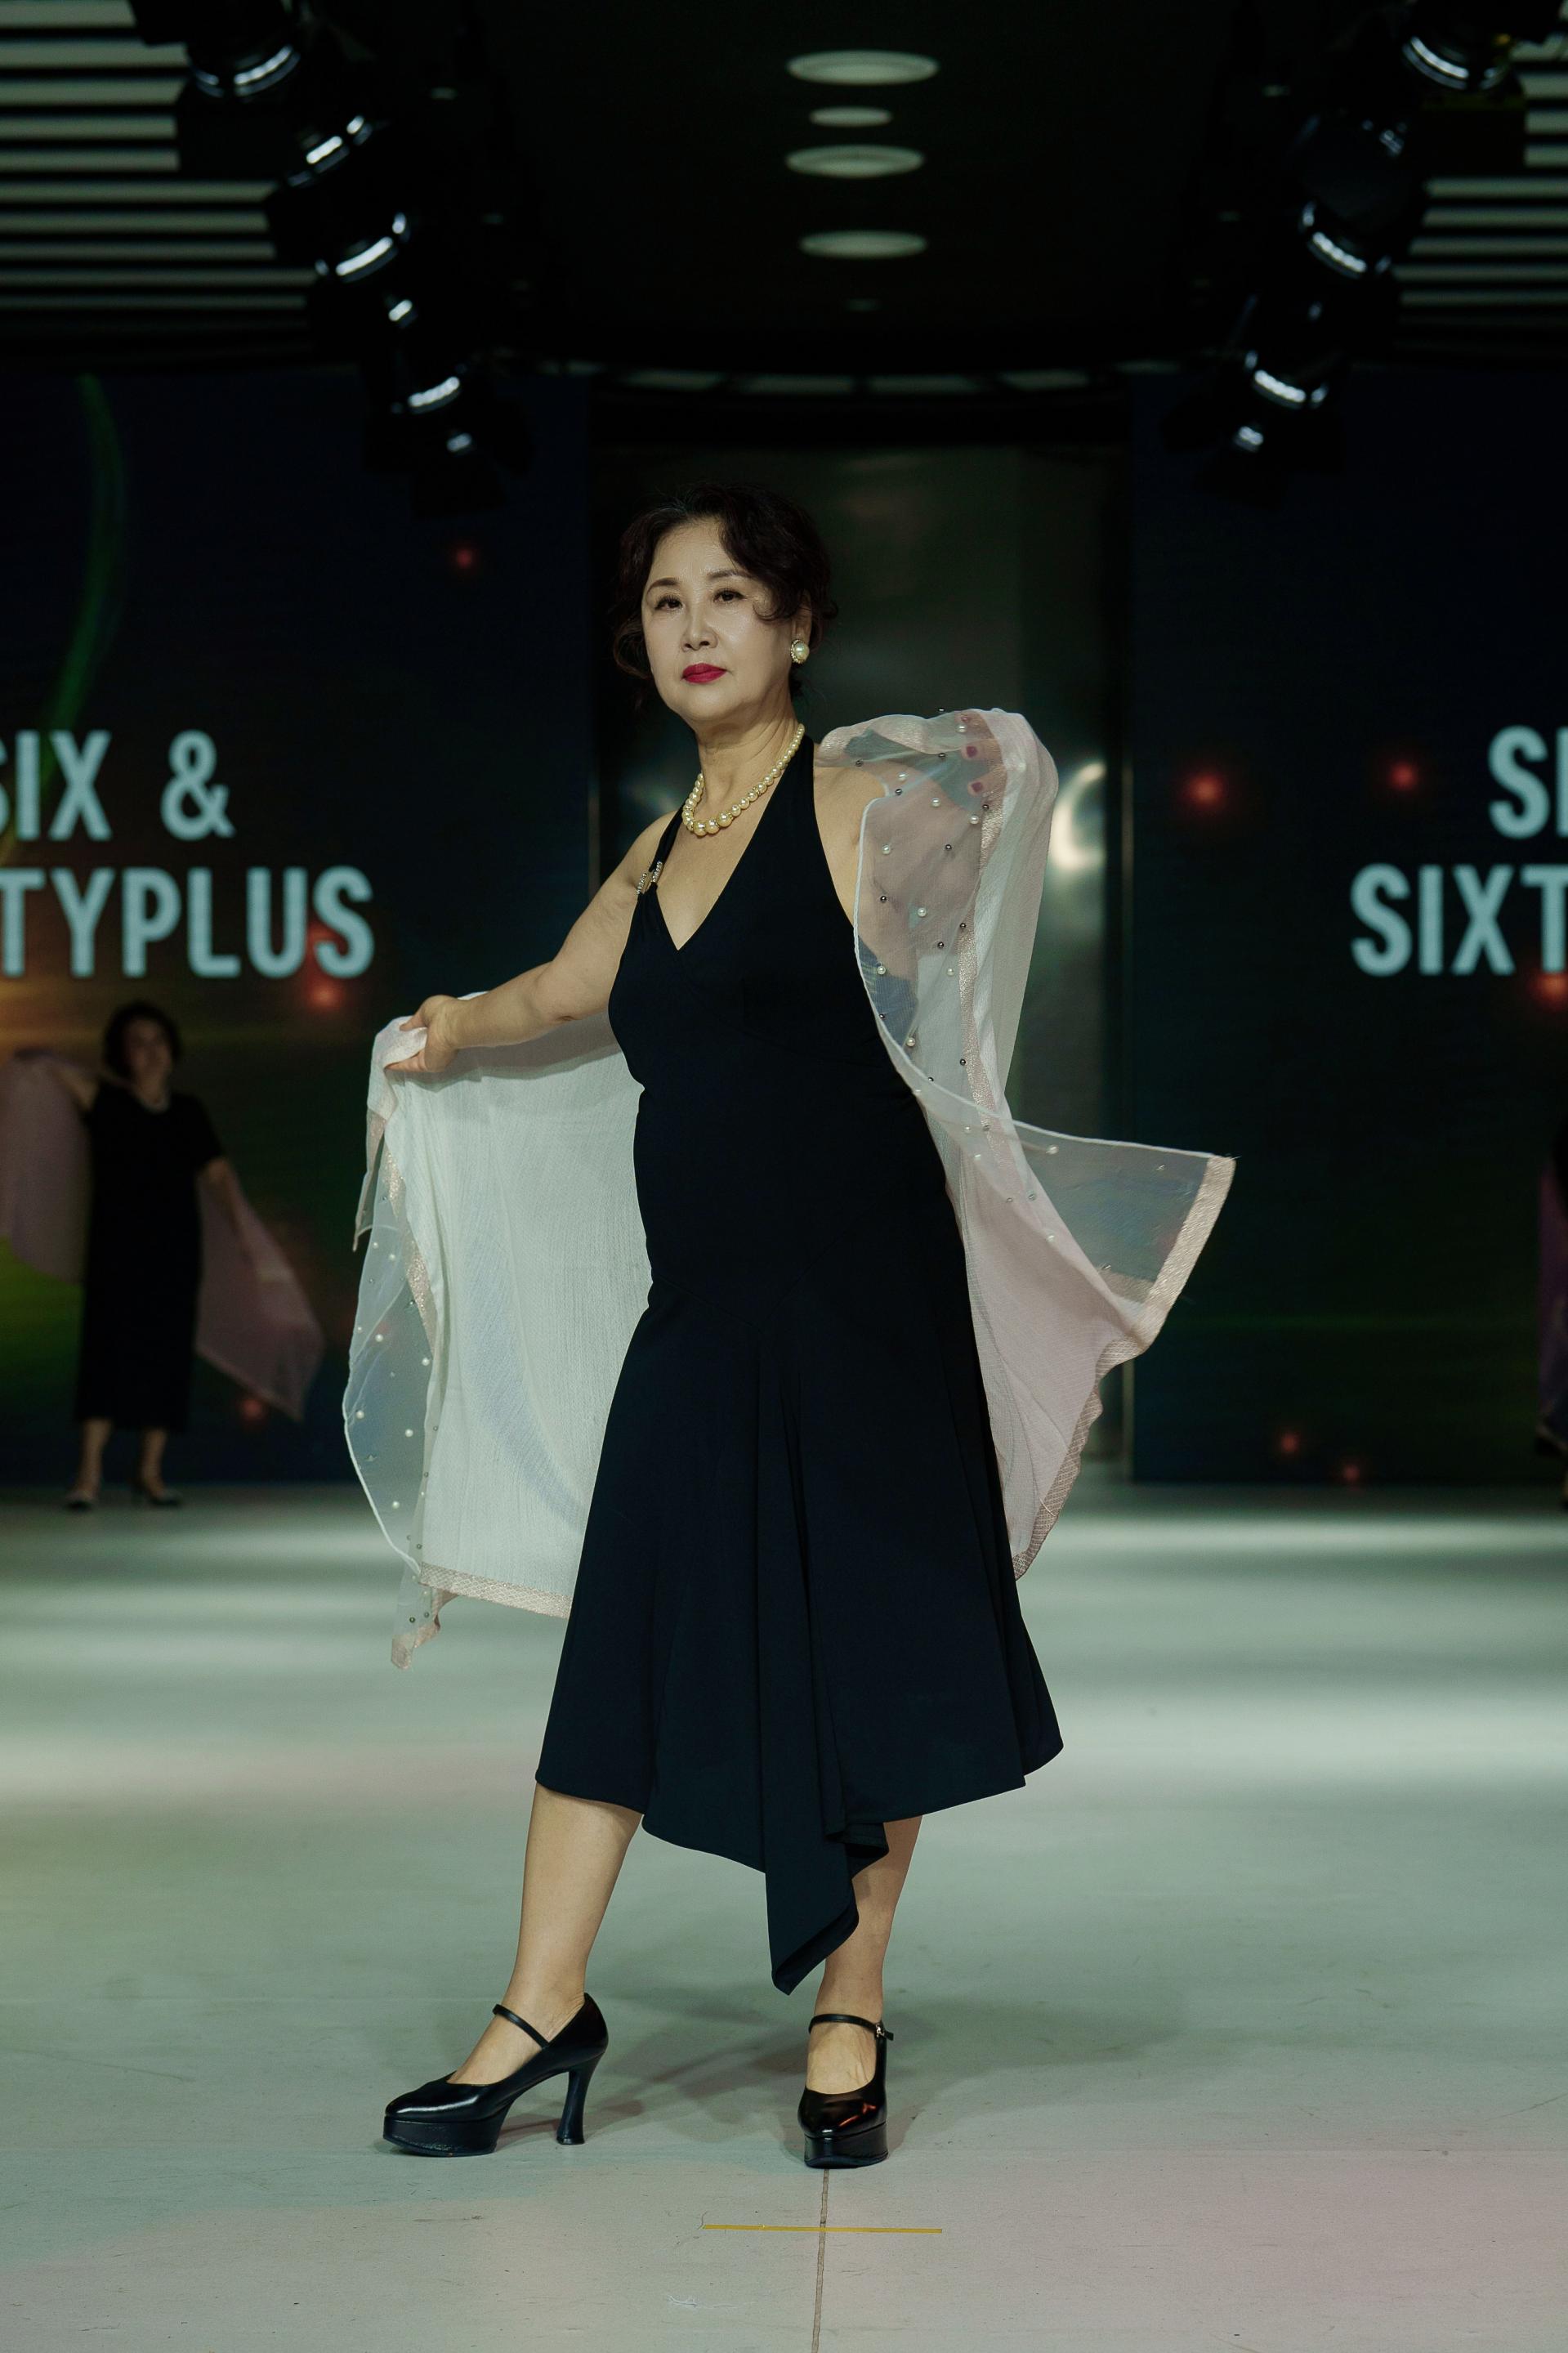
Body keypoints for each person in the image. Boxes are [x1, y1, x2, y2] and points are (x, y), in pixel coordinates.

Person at [364, 481, 1233, 2168]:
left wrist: (944, 773)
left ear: (795, 624)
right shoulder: (649, 855)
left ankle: (851, 2000)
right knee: (623, 1639)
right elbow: (560, 994)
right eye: (664, 599)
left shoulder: (855, 807)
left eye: (729, 593)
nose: (693, 625)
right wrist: (447, 1027)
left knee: (870, 1648)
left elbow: (991, 821)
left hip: (862, 1308)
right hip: (698, 1312)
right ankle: (539, 2004)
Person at [25, 1002, 251, 1509]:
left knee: (167, 1357)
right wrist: (42, 1058)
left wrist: (242, 1233)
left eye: (157, 1041)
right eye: (137, 1042)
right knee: (105, 1355)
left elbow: (218, 1174)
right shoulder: (105, 1101)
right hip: (116, 1254)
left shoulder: (188, 1112)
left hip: (174, 1253)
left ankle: (149, 1472)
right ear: (120, 1054)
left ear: (172, 1050)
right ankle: (88, 1475)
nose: (150, 1052)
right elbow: (50, 1073)